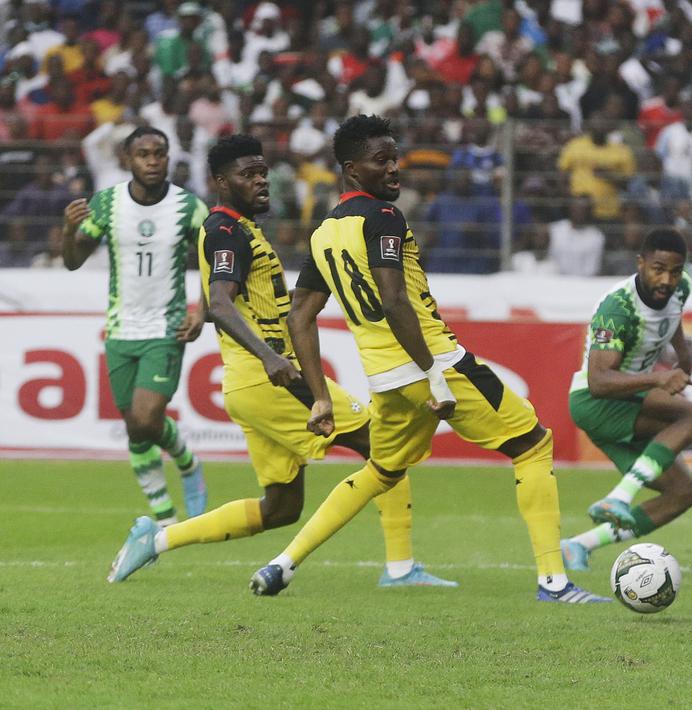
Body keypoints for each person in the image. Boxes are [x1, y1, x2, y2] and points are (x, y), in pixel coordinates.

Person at [250, 115, 607, 604]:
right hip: (431, 362)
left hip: (383, 379)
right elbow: (395, 300)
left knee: (381, 471)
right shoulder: (384, 218)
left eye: (396, 158)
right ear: (353, 170)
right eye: (382, 161)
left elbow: (299, 318)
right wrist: (434, 375)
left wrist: (319, 397)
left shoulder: (322, 233)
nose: (394, 168)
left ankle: (281, 564)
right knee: (532, 444)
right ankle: (554, 581)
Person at [106, 135, 455, 589]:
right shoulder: (225, 229)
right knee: (384, 445)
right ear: (220, 182)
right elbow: (219, 303)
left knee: (281, 509)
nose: (260, 182)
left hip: (251, 386)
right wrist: (271, 356)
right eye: (247, 175)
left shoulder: (244, 229)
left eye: (262, 174)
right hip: (269, 380)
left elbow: (257, 303)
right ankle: (400, 567)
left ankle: (155, 540)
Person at [60, 126, 209, 528]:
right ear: (128, 160)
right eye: (143, 154)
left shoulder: (189, 207)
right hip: (121, 328)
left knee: (145, 419)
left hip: (166, 327)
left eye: (159, 153)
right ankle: (163, 519)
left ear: (168, 157)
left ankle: (188, 463)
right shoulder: (107, 204)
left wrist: (201, 310)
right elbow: (73, 261)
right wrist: (67, 230)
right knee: (135, 428)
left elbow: (219, 261)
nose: (152, 161)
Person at [560, 228, 692, 571]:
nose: (667, 279)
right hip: (596, 402)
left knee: (683, 493)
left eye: (674, 271)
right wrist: (659, 377)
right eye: (658, 268)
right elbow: (599, 381)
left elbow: (673, 322)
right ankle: (619, 496)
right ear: (640, 263)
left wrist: (683, 360)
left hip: (631, 399)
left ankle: (579, 545)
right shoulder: (619, 308)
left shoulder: (681, 287)